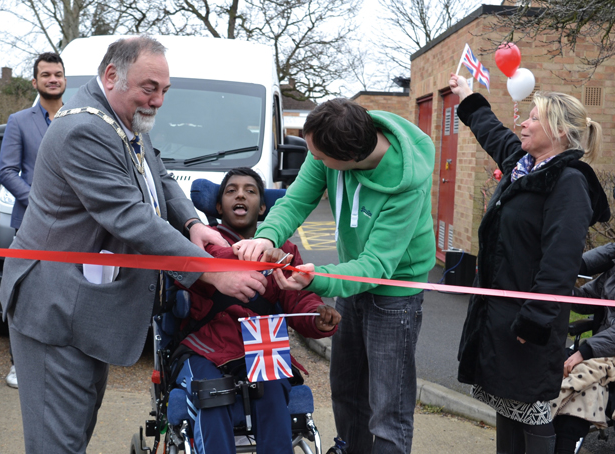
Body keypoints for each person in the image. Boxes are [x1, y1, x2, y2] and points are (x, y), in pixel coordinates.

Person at [0, 36, 268, 454]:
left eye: (164, 90)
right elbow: (129, 216)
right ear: (111, 76)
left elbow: (157, 173)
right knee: (59, 443)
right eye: (149, 88)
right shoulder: (83, 130)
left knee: (75, 431)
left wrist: (193, 223)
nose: (158, 101)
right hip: (53, 308)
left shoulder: (121, 120)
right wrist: (213, 271)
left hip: (84, 309)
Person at [233, 99, 436, 454]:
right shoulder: (329, 145)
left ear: (350, 159)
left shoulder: (407, 182)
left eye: (322, 159)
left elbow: (376, 267)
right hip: (351, 282)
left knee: (388, 409)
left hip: (395, 293)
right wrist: (266, 236)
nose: (316, 162)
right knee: (346, 389)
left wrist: (316, 279)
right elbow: (296, 201)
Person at [449, 73, 610, 454]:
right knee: (509, 412)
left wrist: (535, 320)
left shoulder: (568, 182)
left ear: (556, 129)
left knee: (531, 415)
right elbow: (495, 134)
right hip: (501, 319)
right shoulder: (528, 165)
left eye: (532, 117)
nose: (522, 122)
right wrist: (469, 99)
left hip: (527, 324)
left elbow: (560, 261)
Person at [172, 167, 340, 453]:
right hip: (207, 347)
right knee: (213, 392)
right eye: (231, 190)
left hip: (262, 347)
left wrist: (317, 317)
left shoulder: (284, 250)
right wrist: (262, 252)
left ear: (263, 207)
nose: (240, 194)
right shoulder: (203, 242)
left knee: (274, 392)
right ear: (218, 206)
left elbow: (298, 299)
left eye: (250, 191)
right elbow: (216, 259)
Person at [0, 51, 67, 389]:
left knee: (62, 298)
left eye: (58, 74)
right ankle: (17, 364)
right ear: (35, 81)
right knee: (22, 298)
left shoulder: (76, 118)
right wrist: (36, 202)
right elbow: (7, 170)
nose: (53, 79)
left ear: (64, 79)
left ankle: (57, 365)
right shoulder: (19, 121)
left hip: (72, 230)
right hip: (29, 225)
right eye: (46, 75)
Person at [552, 242, 615, 454]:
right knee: (549, 365)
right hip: (602, 352)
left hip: (604, 355)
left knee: (582, 389)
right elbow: (587, 299)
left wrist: (585, 351)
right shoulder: (612, 274)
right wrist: (561, 286)